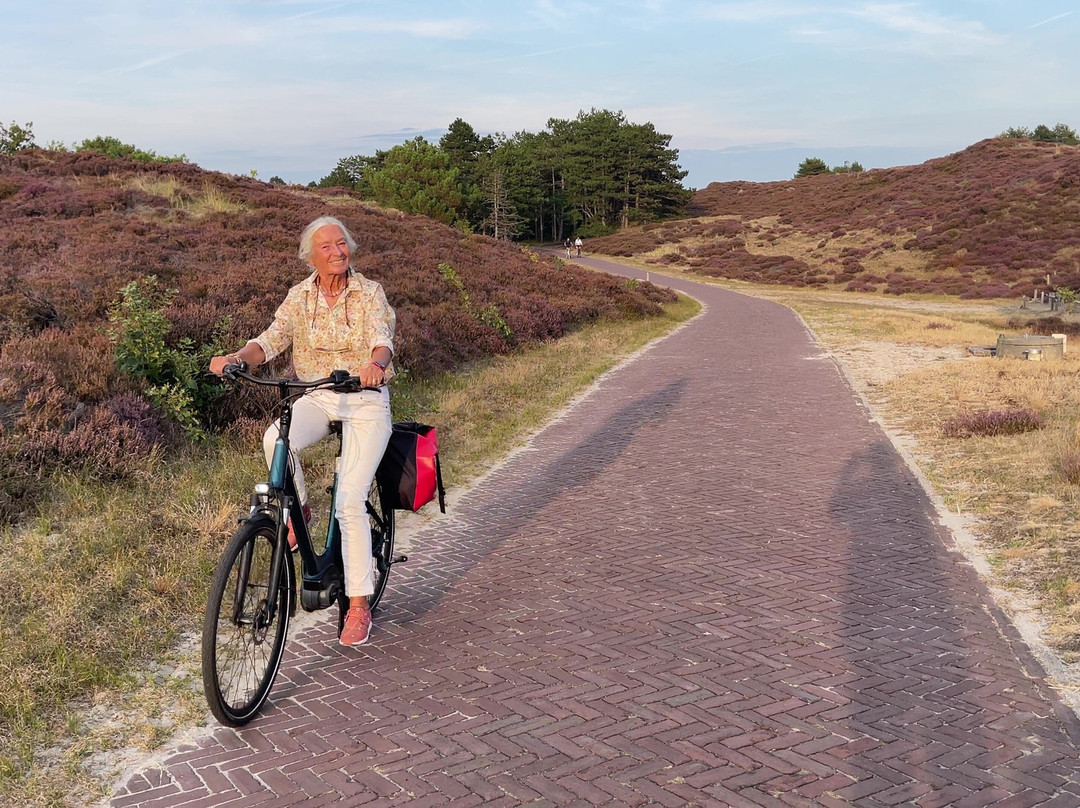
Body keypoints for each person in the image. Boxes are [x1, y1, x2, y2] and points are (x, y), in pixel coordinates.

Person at [209, 215, 394, 647]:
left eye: (342, 243)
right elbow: (270, 339)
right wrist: (238, 357)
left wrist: (376, 365)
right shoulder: (299, 297)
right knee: (275, 438)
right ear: (310, 256)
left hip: (364, 399)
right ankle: (301, 510)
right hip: (318, 394)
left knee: (350, 501)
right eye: (326, 246)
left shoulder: (369, 293)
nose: (337, 252)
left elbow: (383, 339)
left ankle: (359, 605)